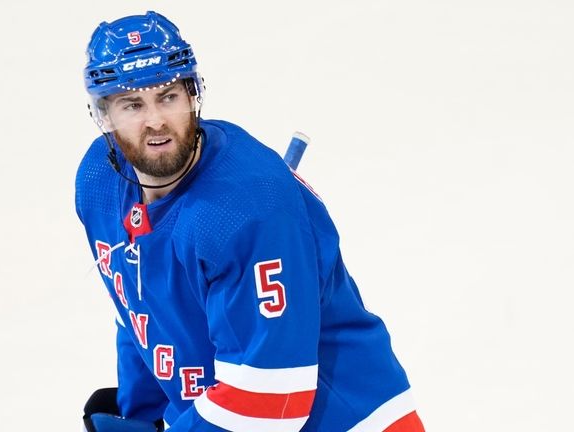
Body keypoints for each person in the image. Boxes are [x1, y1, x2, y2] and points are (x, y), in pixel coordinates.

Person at [76, 11, 425, 432]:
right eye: (132, 104)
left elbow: (272, 400)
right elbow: (138, 309)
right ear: (105, 116)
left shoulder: (245, 209)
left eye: (168, 96)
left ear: (192, 95)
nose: (155, 120)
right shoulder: (99, 183)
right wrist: (141, 414)